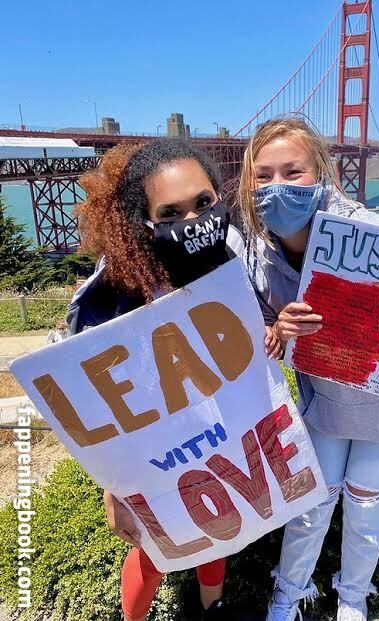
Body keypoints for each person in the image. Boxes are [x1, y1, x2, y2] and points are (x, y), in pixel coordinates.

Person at [67, 139, 279, 621]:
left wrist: (269, 333)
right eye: (171, 212)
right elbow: (99, 403)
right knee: (154, 549)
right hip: (155, 442)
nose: (194, 220)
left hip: (218, 427)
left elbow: (250, 329)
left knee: (219, 526)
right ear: (145, 220)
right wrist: (114, 490)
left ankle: (213, 608)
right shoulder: (119, 285)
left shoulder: (231, 253)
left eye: (203, 203)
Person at [238, 118, 379, 621]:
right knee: (310, 504)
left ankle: (352, 598)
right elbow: (265, 341)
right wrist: (278, 331)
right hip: (325, 401)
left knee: (366, 505)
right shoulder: (254, 255)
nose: (277, 186)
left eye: (292, 172)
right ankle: (287, 595)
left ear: (321, 173)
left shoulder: (372, 231)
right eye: (263, 176)